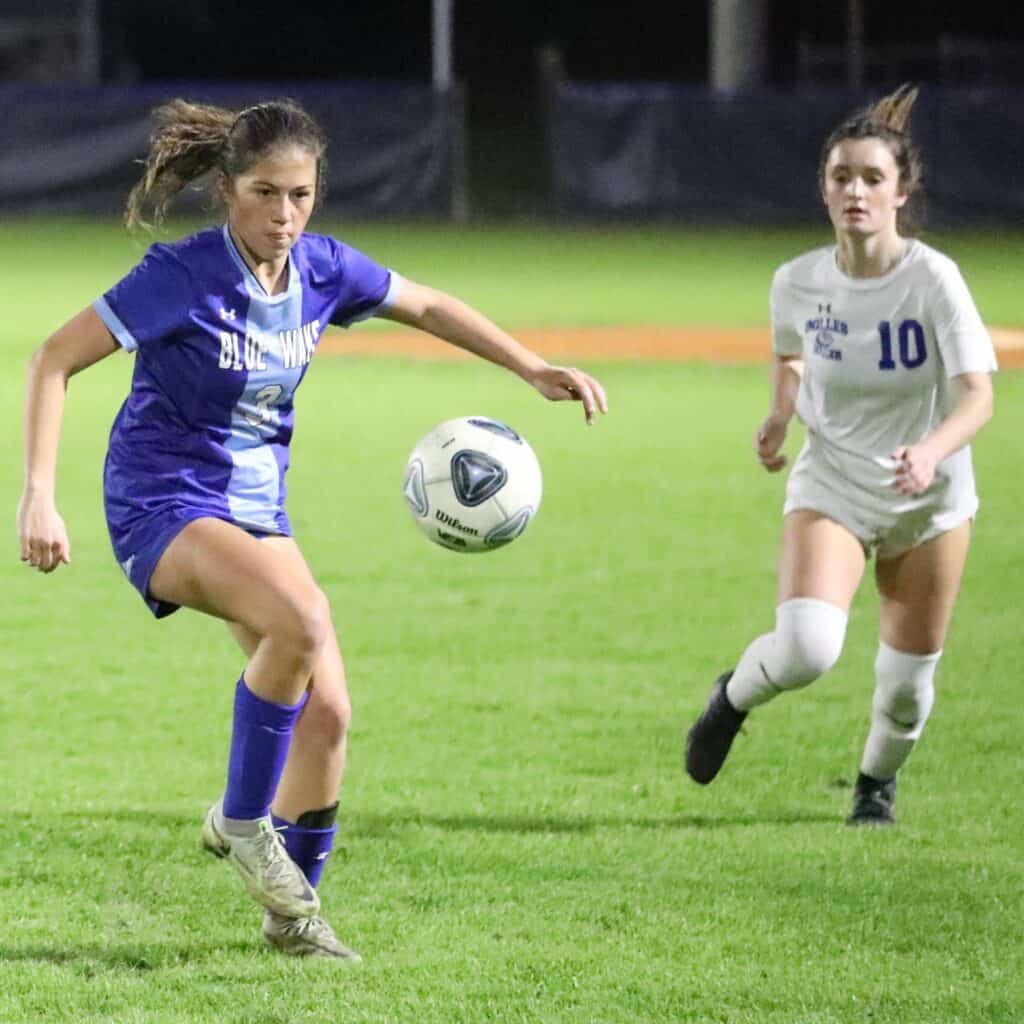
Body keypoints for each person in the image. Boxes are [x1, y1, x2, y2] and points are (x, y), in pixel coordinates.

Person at [17, 98, 608, 959]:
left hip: (259, 506)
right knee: (304, 623)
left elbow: (430, 304)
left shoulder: (323, 270)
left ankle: (292, 919)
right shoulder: (181, 275)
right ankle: (246, 823)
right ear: (226, 191)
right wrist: (38, 494)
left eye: (300, 195)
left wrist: (530, 367)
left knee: (327, 713)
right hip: (162, 499)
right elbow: (52, 359)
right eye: (265, 194)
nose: (285, 216)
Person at [684, 85, 995, 825]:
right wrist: (778, 414)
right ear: (823, 189)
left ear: (901, 193)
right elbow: (792, 357)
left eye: (872, 178)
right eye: (841, 177)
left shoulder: (933, 281)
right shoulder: (797, 282)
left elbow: (978, 396)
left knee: (906, 687)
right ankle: (730, 699)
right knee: (806, 650)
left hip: (931, 498)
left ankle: (873, 788)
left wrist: (930, 450)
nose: (855, 190)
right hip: (835, 485)